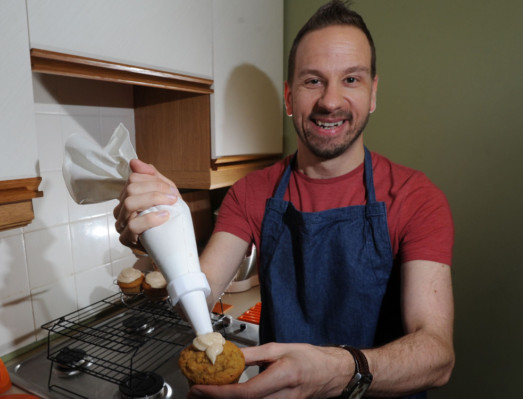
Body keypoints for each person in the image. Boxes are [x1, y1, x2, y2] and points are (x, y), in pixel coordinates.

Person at [113, 1, 454, 398]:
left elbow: (436, 353)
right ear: (290, 98)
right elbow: (195, 297)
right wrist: (161, 230)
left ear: (373, 93)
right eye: (313, 81)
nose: (330, 101)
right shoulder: (252, 192)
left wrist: (341, 369)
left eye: (351, 80)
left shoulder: (416, 198)